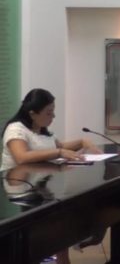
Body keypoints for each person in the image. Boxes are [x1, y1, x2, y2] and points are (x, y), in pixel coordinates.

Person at [1, 88, 103, 264]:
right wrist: (59, 152)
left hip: (40, 190)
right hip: (19, 194)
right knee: (60, 220)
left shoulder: (42, 130)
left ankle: (77, 244)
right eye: (49, 112)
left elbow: (60, 146)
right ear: (32, 113)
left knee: (73, 209)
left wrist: (82, 142)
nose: (53, 116)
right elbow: (21, 157)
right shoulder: (16, 129)